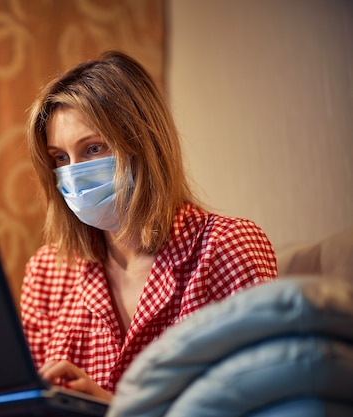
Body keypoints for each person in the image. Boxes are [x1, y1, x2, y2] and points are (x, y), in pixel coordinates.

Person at [20, 50, 278, 402]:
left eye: (94, 148)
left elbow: (265, 403)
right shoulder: (47, 272)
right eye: (60, 158)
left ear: (144, 144)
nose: (74, 174)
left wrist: (123, 411)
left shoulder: (226, 247)